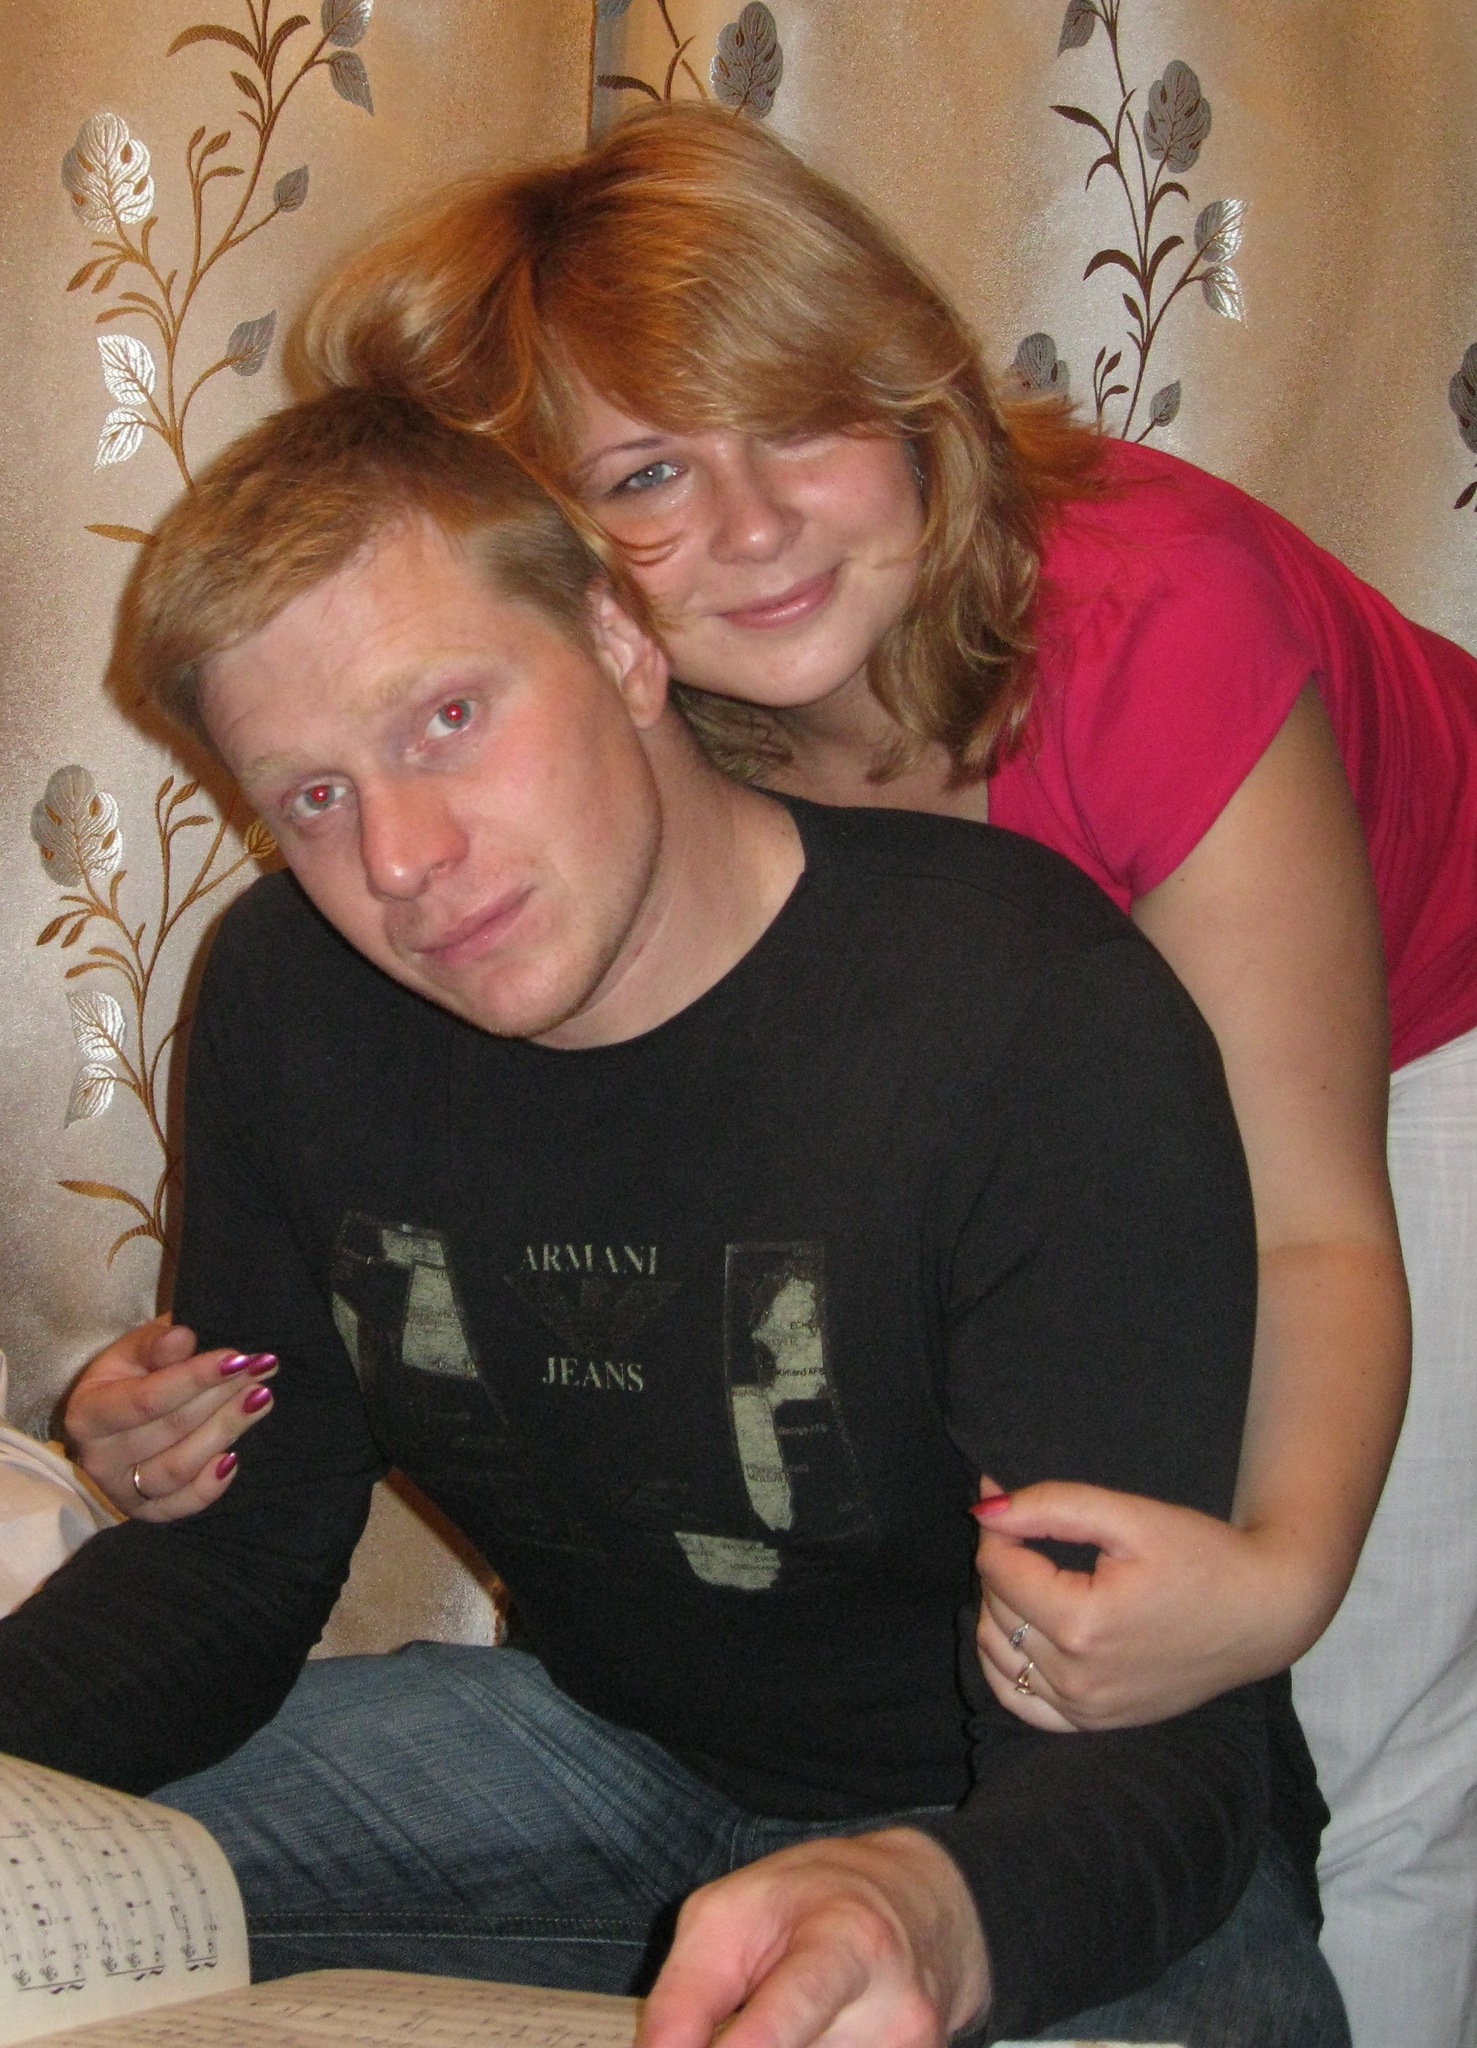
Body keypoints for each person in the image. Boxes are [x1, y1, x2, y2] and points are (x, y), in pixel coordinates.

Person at [62, 107, 1477, 2046]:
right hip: (655, 1731)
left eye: (450, 716)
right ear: (599, 581)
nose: (401, 855)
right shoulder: (514, 852)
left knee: (1361, 1704)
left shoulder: (1129, 683)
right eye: (649, 472)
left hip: (1422, 1002)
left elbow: (1310, 1229)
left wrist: (1280, 1578)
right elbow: (247, 1546)